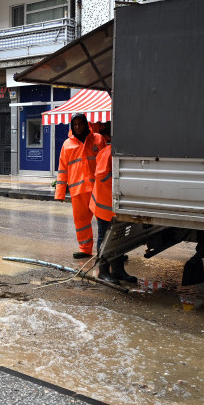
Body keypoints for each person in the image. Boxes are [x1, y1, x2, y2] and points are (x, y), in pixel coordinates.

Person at [89, 124, 137, 284]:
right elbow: (102, 175)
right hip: (104, 206)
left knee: (119, 237)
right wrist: (120, 184)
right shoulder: (108, 152)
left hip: (114, 205)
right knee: (105, 237)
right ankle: (103, 271)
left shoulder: (119, 152)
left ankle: (118, 270)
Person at [54, 113, 106, 259]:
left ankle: (108, 250)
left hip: (97, 189)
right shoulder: (67, 144)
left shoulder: (98, 139)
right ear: (72, 126)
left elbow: (106, 162)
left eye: (80, 123)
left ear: (86, 124)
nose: (78, 127)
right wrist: (60, 193)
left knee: (104, 220)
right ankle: (85, 249)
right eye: (75, 124)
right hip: (78, 191)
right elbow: (62, 169)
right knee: (81, 222)